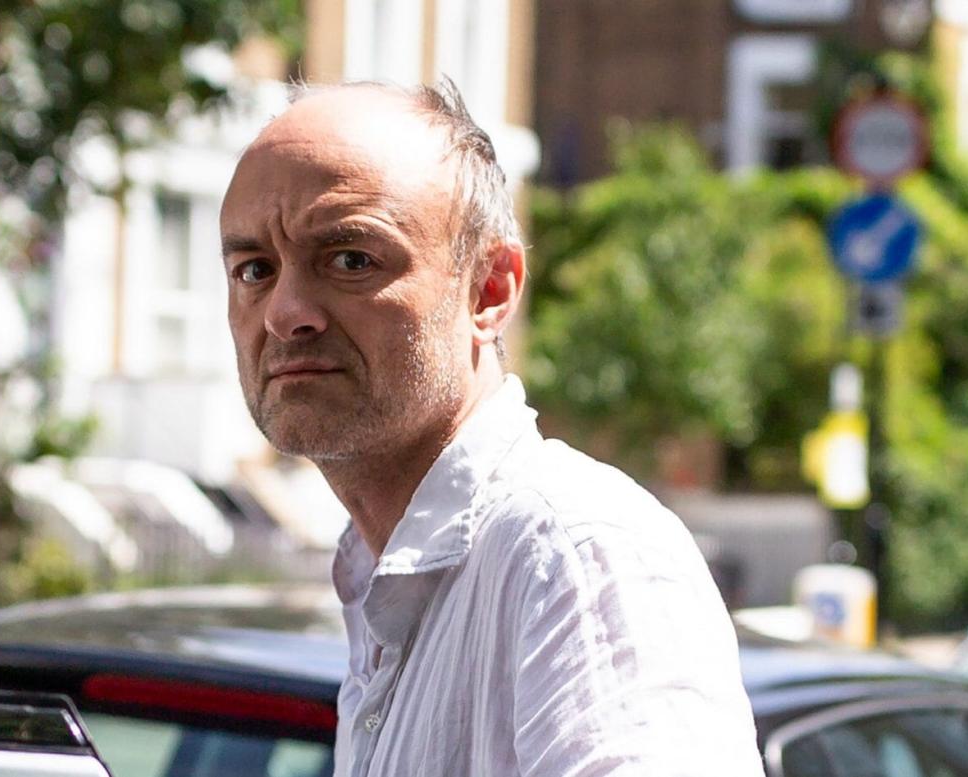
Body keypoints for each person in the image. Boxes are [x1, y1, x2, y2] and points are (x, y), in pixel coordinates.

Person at [219, 79, 764, 777]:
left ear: (491, 289)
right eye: (254, 269)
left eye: (351, 259)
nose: (285, 311)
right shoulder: (396, 573)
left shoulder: (573, 554)